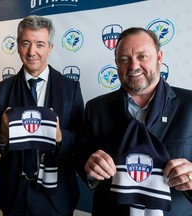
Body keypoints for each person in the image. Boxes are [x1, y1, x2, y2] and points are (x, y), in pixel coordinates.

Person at [76, 27, 192, 216]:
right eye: (124, 60)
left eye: (142, 56)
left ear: (159, 57)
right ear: (116, 64)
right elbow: (82, 157)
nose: (133, 66)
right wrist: (90, 168)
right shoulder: (96, 108)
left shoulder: (190, 105)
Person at [0, 15, 84, 216]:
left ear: (50, 48)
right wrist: (3, 135)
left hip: (57, 196)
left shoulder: (71, 89)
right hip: (13, 194)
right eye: (26, 43)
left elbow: (82, 140)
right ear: (17, 46)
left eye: (40, 44)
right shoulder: (1, 90)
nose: (32, 52)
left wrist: (61, 137)